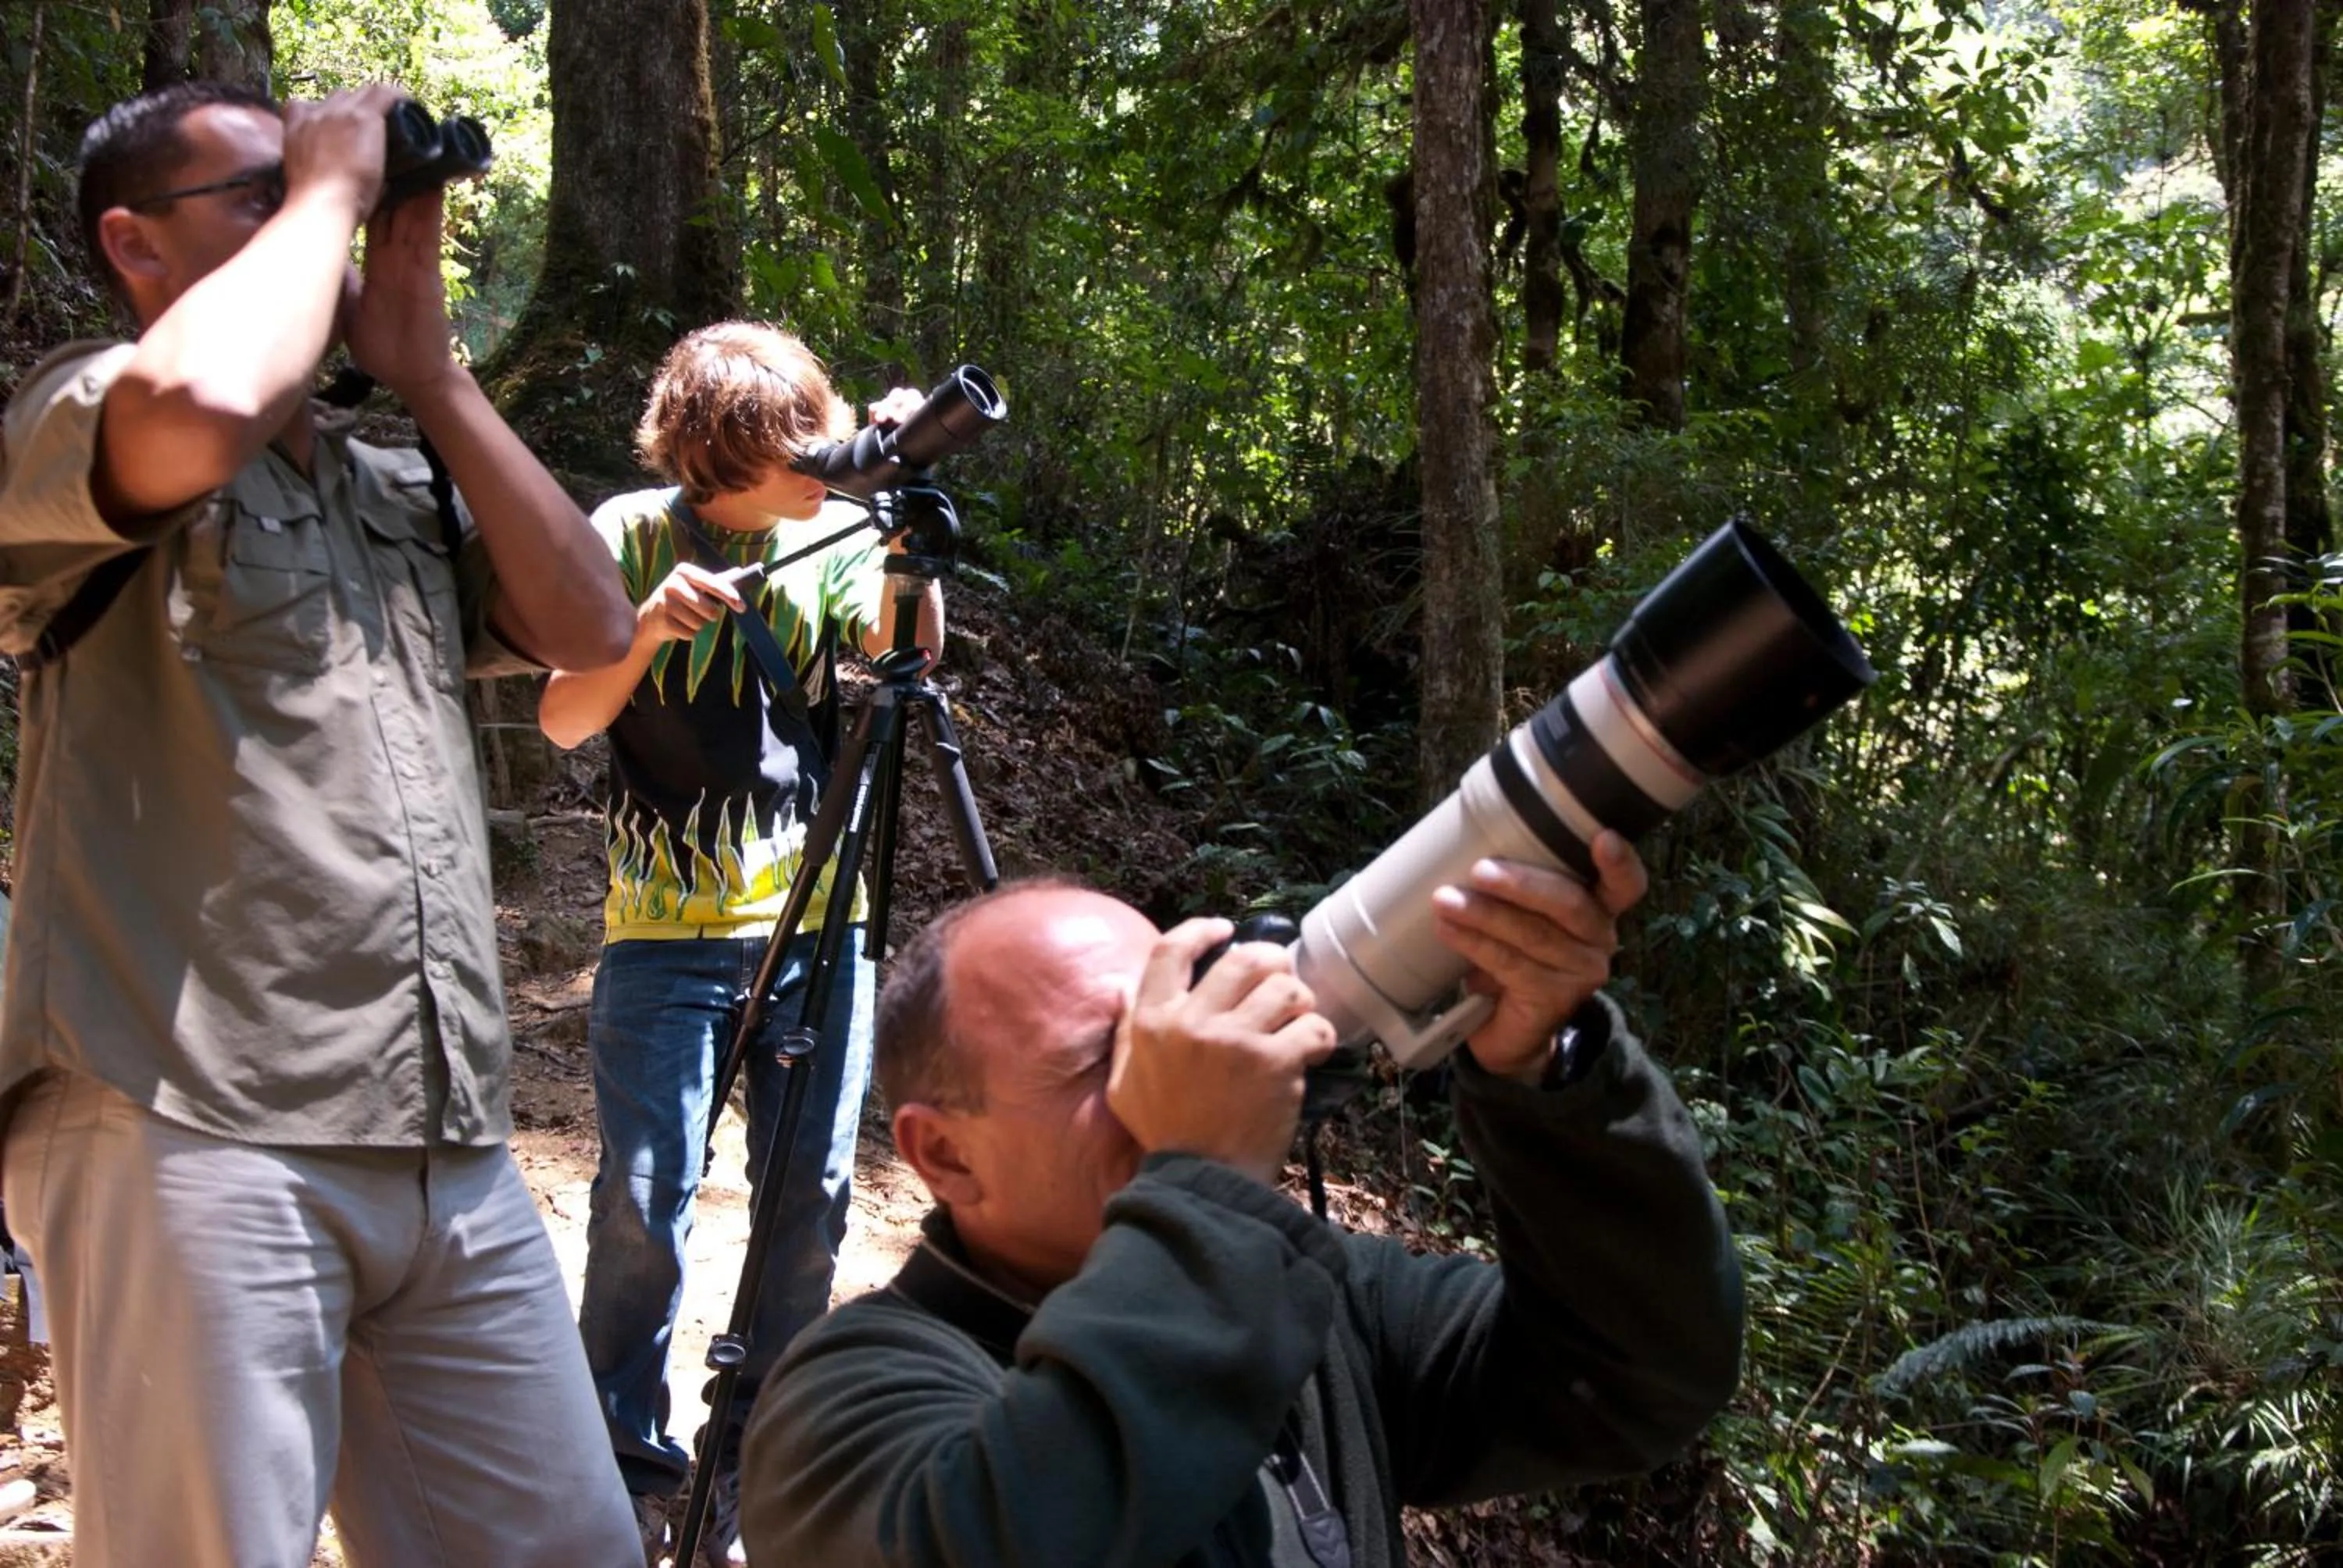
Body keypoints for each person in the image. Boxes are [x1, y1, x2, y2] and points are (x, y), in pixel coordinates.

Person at [0, 81, 644, 1567]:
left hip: (438, 1126)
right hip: (193, 1119)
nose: (316, 214)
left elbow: (592, 625)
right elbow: (207, 409)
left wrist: (436, 379)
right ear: (132, 243)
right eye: (259, 190)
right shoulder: (76, 410)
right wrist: (336, 188)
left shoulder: (394, 488)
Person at [738, 834, 1746, 1566]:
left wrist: (1547, 1070)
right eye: (1108, 1059)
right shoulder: (843, 1400)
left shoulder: (1317, 1297)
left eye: (1178, 1029)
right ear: (944, 1155)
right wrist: (1207, 1184)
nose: (1180, 1073)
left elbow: (1634, 1376)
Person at [537, 321, 945, 1566]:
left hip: (821, 925)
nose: (822, 456)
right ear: (722, 455)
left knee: (807, 1210)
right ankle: (625, 1457)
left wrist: (910, 533)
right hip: (665, 937)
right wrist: (646, 632)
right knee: (642, 1209)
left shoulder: (838, 526)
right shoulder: (626, 534)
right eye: (795, 443)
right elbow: (562, 720)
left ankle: (748, 1457)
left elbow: (910, 665)